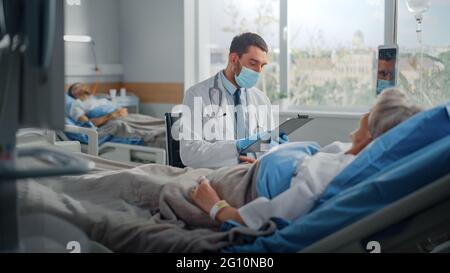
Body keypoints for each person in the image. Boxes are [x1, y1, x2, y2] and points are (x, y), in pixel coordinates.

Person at [190, 88, 422, 230]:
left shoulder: (342, 171)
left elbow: (280, 212)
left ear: (374, 132)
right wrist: (266, 162)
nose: (363, 115)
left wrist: (217, 209)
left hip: (245, 187)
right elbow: (303, 169)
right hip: (249, 171)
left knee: (166, 182)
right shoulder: (348, 152)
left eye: (370, 112)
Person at [180, 33, 288, 169]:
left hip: (253, 172)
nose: (258, 71)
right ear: (234, 59)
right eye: (253, 63)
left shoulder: (261, 99)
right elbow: (189, 154)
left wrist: (275, 148)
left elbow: (266, 150)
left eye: (262, 65)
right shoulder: (197, 94)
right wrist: (237, 147)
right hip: (215, 176)